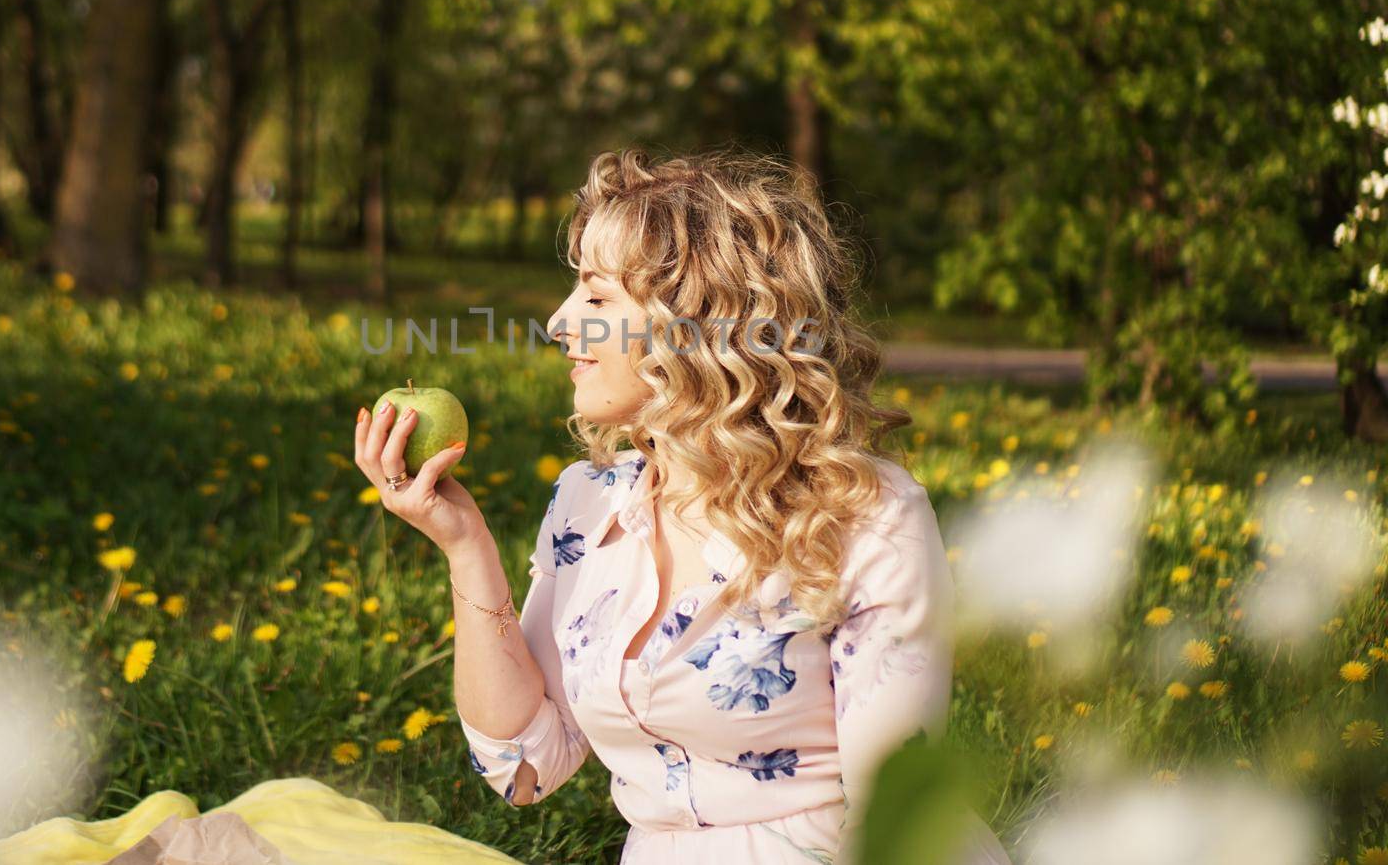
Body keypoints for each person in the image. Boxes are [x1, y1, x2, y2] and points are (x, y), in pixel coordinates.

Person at [352, 147, 1014, 864]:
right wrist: (464, 544)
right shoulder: (588, 502)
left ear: (698, 325)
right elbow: (525, 763)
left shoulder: (866, 518)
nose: (558, 321)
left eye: (597, 296)